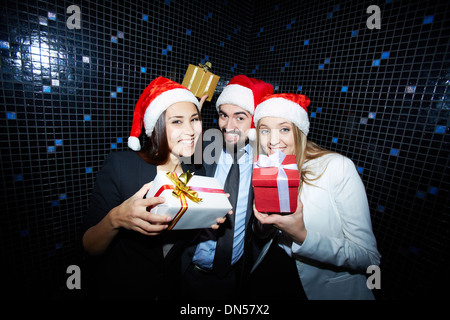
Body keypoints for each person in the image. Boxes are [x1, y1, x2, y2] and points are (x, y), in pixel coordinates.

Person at [82, 77, 224, 299]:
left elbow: (179, 241)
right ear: (156, 126)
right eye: (177, 121)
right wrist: (116, 219)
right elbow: (89, 247)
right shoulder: (122, 166)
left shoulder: (198, 175)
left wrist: (206, 219)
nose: (191, 130)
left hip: (169, 288)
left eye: (194, 119)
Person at [250, 93, 381, 300]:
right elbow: (262, 234)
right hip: (272, 273)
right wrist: (263, 223)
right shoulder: (266, 166)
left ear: (299, 131)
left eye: (284, 129)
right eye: (265, 130)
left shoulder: (337, 167)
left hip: (325, 289)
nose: (273, 141)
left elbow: (369, 257)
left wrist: (302, 235)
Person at [180, 75, 274, 299]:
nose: (228, 125)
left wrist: (269, 220)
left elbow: (262, 230)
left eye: (239, 117)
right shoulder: (200, 148)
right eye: (223, 115)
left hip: (233, 278)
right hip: (186, 271)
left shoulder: (265, 162)